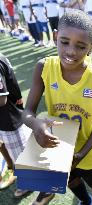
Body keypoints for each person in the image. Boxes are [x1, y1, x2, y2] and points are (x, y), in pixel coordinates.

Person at [22, 10, 92, 205]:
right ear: (54, 37)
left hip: (88, 152)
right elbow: (27, 113)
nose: (71, 51)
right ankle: (86, 201)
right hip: (58, 147)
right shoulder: (44, 67)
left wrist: (81, 154)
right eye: (64, 42)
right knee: (71, 179)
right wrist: (36, 125)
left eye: (81, 46)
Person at [0, 53, 31, 197]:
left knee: (20, 154)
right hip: (8, 115)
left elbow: (1, 100)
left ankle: (29, 183)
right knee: (11, 149)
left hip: (9, 117)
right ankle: (13, 168)